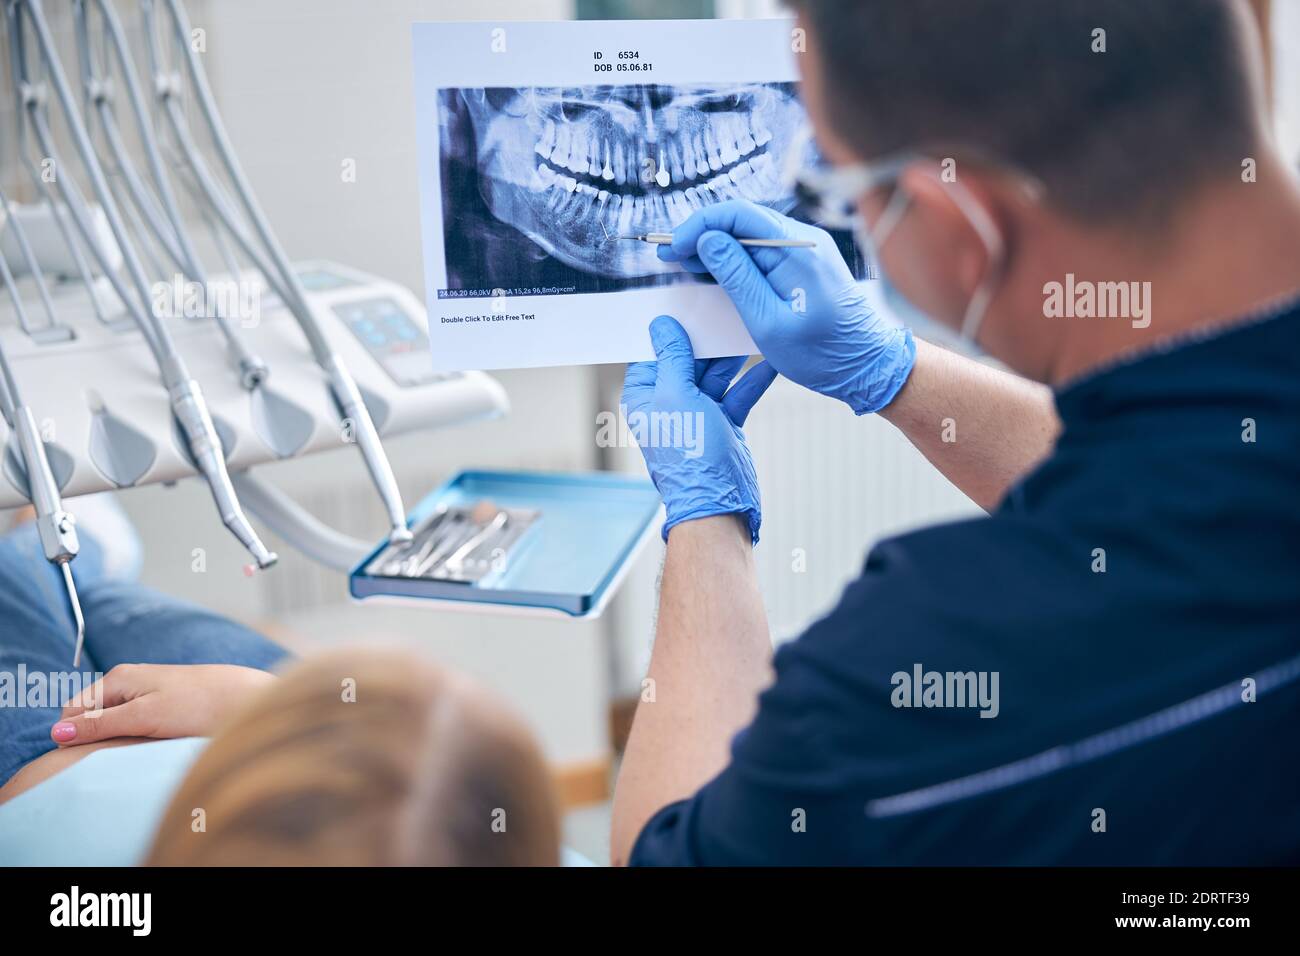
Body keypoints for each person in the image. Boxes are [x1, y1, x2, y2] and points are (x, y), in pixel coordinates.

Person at [610, 0, 1300, 865]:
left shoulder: (924, 686)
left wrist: (704, 518)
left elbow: (663, 849)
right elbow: (1177, 488)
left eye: (838, 185)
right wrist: (894, 373)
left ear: (959, 224)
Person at [0, 502, 560, 867]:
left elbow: (27, 811)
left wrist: (269, 712)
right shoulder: (511, 839)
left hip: (53, 766)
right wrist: (263, 703)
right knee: (105, 609)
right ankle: (74, 562)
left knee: (25, 588)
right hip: (276, 712)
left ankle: (63, 551)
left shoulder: (50, 844)